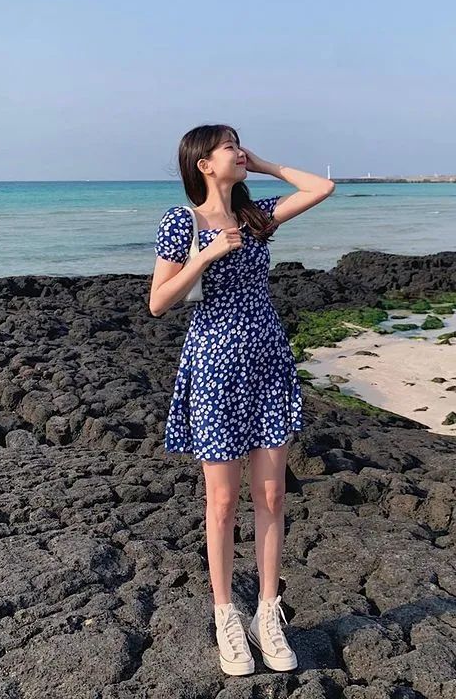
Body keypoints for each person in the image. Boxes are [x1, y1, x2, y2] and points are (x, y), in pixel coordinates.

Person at [149, 124, 334, 676]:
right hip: (214, 366)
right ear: (203, 163)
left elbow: (322, 188)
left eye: (239, 143)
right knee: (223, 501)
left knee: (272, 493)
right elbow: (158, 301)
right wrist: (204, 257)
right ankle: (226, 614)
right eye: (229, 146)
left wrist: (267, 164)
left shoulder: (257, 217)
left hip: (267, 360)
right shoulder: (181, 222)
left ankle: (267, 614)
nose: (239, 151)